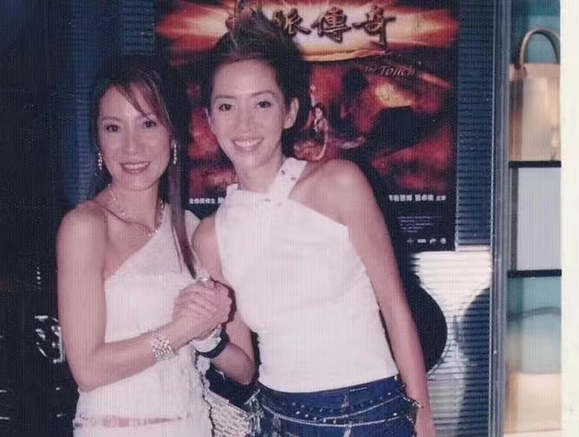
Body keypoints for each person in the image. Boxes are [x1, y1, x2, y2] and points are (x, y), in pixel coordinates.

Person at [192, 11, 436, 437]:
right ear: (210, 119)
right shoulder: (211, 236)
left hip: (370, 416)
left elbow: (395, 304)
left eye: (262, 103)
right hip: (276, 421)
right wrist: (202, 336)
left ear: (290, 111)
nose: (244, 124)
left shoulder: (339, 183)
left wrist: (423, 419)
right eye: (227, 106)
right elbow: (244, 367)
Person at [56, 55, 252, 437]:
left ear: (172, 133)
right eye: (113, 128)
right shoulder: (86, 227)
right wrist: (179, 333)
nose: (131, 147)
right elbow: (89, 370)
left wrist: (208, 340)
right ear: (98, 139)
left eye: (147, 124)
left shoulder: (195, 231)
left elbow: (244, 369)